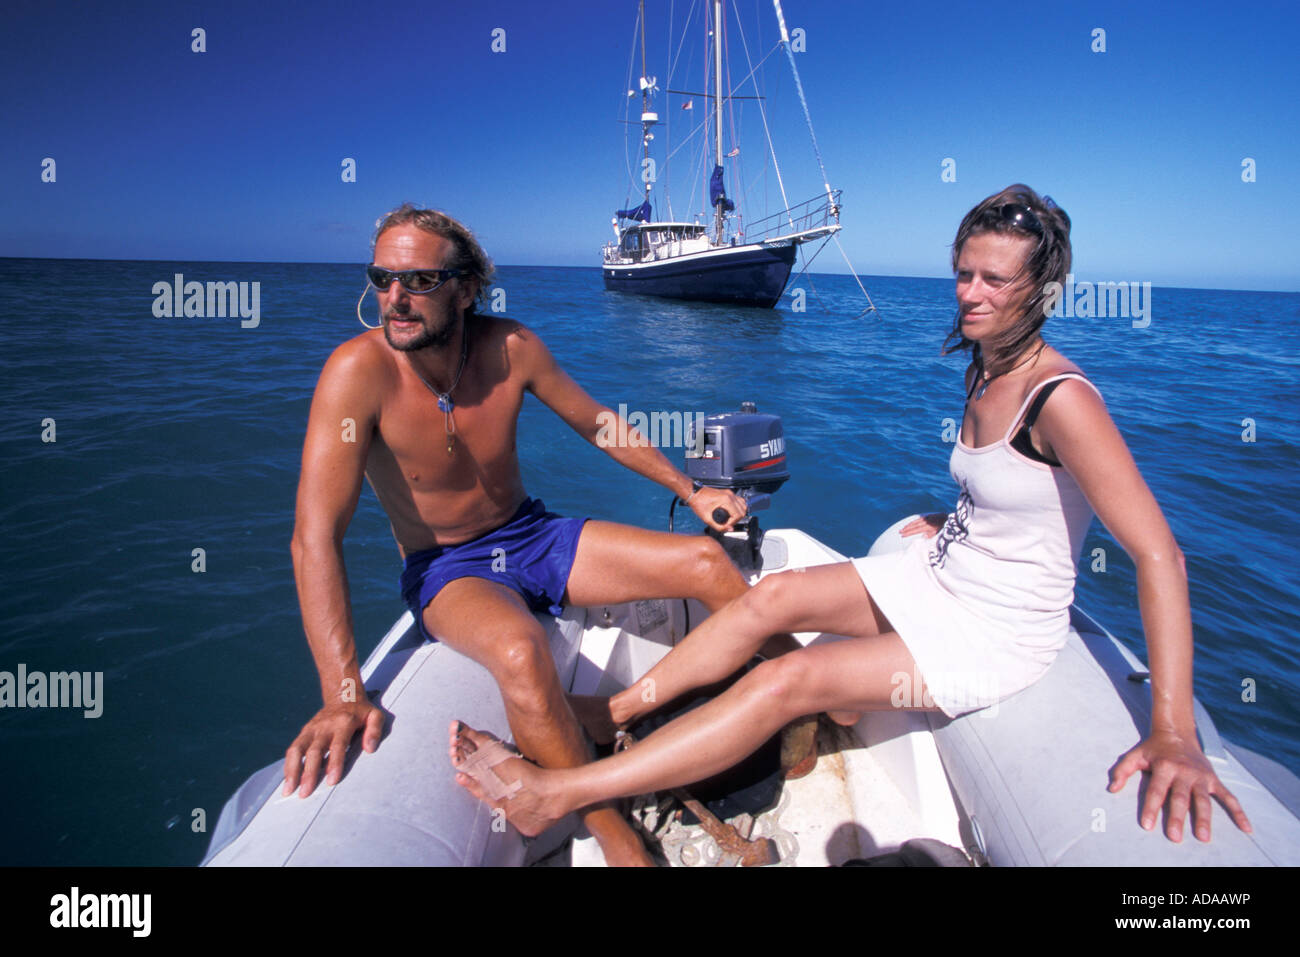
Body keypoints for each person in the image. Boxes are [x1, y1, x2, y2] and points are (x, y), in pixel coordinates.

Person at [450, 184, 1253, 847]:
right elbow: (1015, 489)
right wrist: (953, 518)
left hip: (995, 626)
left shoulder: (1063, 399)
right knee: (767, 597)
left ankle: (561, 791)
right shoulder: (985, 367)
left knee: (791, 676)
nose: (971, 294)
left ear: (1041, 291)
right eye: (965, 272)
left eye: (995, 281)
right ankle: (612, 711)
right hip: (946, 573)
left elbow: (1159, 554)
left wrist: (1174, 728)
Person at [282, 203, 761, 867]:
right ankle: (624, 846)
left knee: (711, 564)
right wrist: (341, 692)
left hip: (532, 534)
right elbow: (314, 536)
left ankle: (785, 717)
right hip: (448, 567)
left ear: (467, 287)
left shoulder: (512, 348)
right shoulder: (355, 373)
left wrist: (690, 488)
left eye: (419, 280)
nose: (396, 298)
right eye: (383, 278)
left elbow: (599, 424)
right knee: (517, 648)